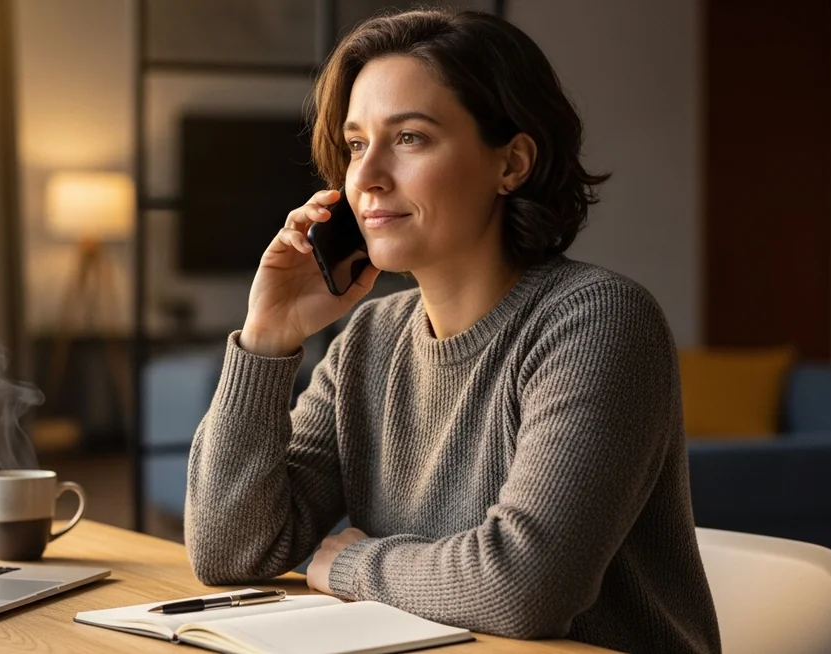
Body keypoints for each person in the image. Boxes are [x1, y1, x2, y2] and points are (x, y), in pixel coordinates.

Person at [183, 8, 720, 653]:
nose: (366, 178)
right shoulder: (370, 340)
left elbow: (526, 587)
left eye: (410, 137)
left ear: (511, 163)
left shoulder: (597, 321)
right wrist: (267, 338)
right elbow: (230, 550)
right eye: (356, 145)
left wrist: (353, 565)